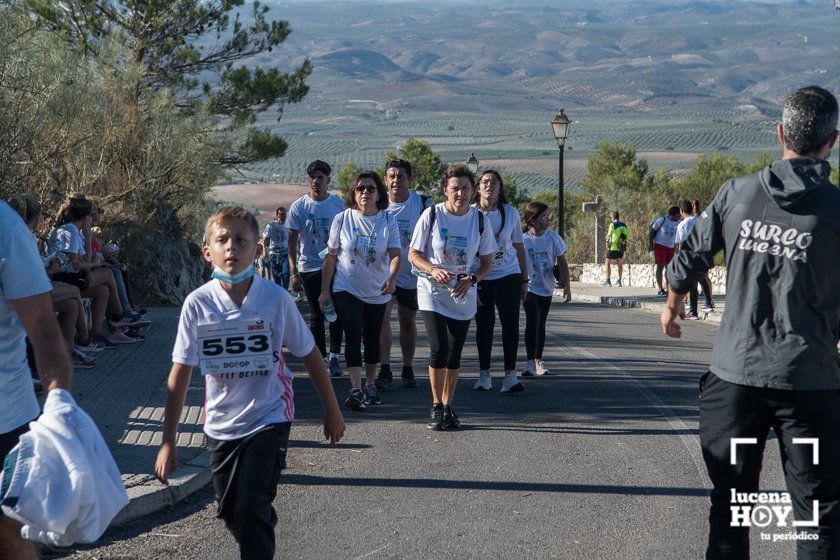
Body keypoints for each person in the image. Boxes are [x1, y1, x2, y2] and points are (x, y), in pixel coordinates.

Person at [662, 85, 840, 559]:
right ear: (833, 141)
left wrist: (673, 300)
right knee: (817, 516)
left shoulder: (737, 194)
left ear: (780, 132)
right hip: (810, 390)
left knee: (733, 506)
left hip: (736, 387)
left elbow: (692, 254)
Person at [155, 206, 345, 560]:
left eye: (240, 240)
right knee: (231, 512)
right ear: (206, 250)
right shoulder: (197, 305)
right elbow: (179, 375)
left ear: (257, 249)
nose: (231, 247)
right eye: (222, 240)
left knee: (249, 509)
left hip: (269, 417)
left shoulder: (276, 300)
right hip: (221, 426)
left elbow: (310, 355)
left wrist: (332, 411)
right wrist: (168, 441)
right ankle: (259, 522)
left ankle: (258, 525)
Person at [0, 200, 73, 560]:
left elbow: (43, 326)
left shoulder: (6, 229)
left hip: (5, 419)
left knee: (9, 533)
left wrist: (59, 401)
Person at [408, 164, 496, 430]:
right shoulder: (432, 214)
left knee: (455, 354)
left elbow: (487, 262)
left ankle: (448, 406)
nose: (460, 193)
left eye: (465, 188)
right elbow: (413, 254)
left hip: (462, 292)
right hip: (432, 291)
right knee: (439, 349)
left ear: (473, 191)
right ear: (445, 190)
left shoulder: (480, 220)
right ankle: (435, 405)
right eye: (455, 188)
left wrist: (473, 279)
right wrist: (433, 269)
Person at [320, 171, 401, 410]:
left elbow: (396, 255)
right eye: (360, 189)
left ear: (379, 194)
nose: (365, 192)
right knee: (353, 335)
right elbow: (331, 257)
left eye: (371, 188)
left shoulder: (388, 221)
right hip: (347, 287)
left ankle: (370, 384)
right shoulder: (342, 219)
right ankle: (355, 388)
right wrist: (325, 290)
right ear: (353, 194)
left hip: (378, 289)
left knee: (373, 338)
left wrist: (393, 278)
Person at [470, 170, 529, 394]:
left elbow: (519, 246)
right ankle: (484, 374)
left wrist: (525, 279)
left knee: (510, 323)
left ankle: (510, 376)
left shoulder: (511, 213)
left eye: (494, 182)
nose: (489, 186)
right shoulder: (470, 213)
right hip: (480, 275)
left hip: (508, 273)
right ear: (478, 188)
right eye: (485, 182)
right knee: (484, 325)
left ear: (500, 188)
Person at [376, 159, 433, 391]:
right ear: (385, 180)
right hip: (384, 274)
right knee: (383, 321)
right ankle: (385, 368)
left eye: (400, 176)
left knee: (407, 321)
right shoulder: (378, 205)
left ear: (410, 180)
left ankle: (407, 368)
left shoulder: (422, 204)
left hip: (412, 275)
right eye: (391, 176)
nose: (395, 180)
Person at [288, 160, 345, 377]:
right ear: (308, 181)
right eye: (312, 178)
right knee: (316, 315)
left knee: (335, 313)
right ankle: (321, 358)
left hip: (335, 267)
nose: (316, 182)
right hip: (309, 267)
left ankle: (334, 357)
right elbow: (291, 241)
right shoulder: (299, 207)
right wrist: (293, 272)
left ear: (328, 180)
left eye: (320, 177)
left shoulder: (338, 206)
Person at [521, 202, 572, 377]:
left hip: (547, 286)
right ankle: (529, 362)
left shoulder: (553, 238)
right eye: (544, 216)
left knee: (541, 323)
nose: (548, 219)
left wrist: (567, 286)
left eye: (549, 215)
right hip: (529, 286)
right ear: (532, 220)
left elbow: (562, 263)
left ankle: (538, 361)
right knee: (532, 320)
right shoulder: (522, 239)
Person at [674, 199, 714, 320]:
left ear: (681, 211)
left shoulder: (682, 225)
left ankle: (693, 311)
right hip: (704, 252)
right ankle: (708, 304)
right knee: (703, 279)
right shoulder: (700, 220)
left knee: (692, 283)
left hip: (690, 255)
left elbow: (680, 243)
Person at [648, 205, 681, 296]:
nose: (677, 218)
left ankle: (668, 289)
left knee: (669, 268)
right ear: (670, 214)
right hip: (659, 246)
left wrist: (677, 247)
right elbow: (651, 231)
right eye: (676, 216)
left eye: (678, 216)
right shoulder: (662, 219)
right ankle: (660, 289)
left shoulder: (677, 222)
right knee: (660, 266)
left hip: (671, 247)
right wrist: (651, 246)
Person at [263, 206, 290, 289]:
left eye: (284, 214)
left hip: (285, 253)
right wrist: (265, 252)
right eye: (281, 214)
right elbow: (266, 239)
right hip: (274, 253)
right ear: (277, 215)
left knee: (286, 274)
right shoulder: (271, 225)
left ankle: (285, 292)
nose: (283, 216)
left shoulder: (289, 226)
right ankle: (279, 293)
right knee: (276, 275)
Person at [604, 211, 629, 286]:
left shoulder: (612, 225)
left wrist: (606, 244)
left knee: (607, 262)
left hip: (613, 247)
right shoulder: (624, 225)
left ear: (613, 217)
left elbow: (609, 236)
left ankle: (608, 281)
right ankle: (619, 281)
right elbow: (628, 236)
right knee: (619, 263)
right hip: (621, 247)